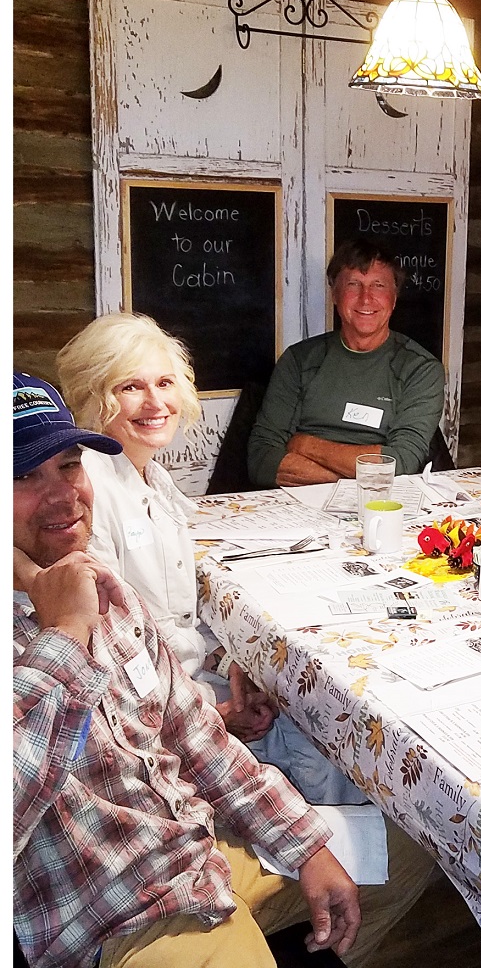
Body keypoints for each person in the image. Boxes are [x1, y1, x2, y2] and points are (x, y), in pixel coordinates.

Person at [13, 374, 434, 968]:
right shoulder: (65, 615)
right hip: (116, 914)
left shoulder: (107, 591)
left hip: (200, 852)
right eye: (24, 475)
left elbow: (202, 743)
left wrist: (306, 845)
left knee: (418, 853)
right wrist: (62, 637)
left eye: (69, 465)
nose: (61, 495)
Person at [55, 313, 366, 804]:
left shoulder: (151, 476)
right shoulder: (85, 492)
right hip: (160, 723)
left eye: (165, 382)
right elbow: (113, 664)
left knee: (324, 718)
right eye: (131, 387)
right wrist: (216, 711)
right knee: (327, 755)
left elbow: (175, 619)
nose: (156, 403)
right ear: (96, 397)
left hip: (192, 682)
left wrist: (232, 660)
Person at [248, 237, 445, 488]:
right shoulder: (299, 360)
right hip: (296, 506)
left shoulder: (420, 369)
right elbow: (261, 460)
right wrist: (354, 479)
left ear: (393, 299)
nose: (366, 298)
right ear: (334, 294)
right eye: (353, 284)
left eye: (378, 285)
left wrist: (305, 445)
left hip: (380, 506)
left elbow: (400, 464)